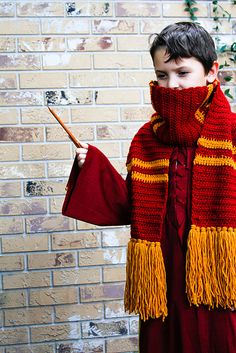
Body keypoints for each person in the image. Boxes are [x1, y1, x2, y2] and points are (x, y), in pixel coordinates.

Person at [62, 22, 236, 353]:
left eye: (183, 72)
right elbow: (130, 206)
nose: (173, 85)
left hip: (221, 273)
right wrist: (94, 167)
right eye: (163, 75)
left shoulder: (231, 131)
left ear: (212, 71)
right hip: (164, 273)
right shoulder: (146, 139)